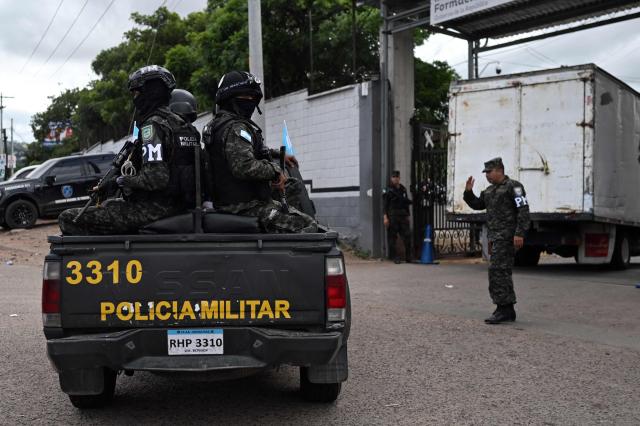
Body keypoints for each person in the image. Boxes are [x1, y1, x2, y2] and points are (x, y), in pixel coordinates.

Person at [58, 65, 195, 235]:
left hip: (153, 210)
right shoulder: (183, 126)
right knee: (110, 206)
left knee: (68, 217)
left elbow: (156, 178)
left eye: (137, 93)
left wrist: (119, 182)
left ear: (151, 92)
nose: (135, 98)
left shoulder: (152, 126)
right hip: (181, 206)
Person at [202, 70, 317, 233]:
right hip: (244, 207)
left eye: (253, 98)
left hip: (237, 203)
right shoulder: (235, 127)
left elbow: (241, 150)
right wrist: (276, 171)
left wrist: (276, 154)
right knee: (308, 226)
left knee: (293, 189)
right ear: (231, 99)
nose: (251, 102)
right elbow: (244, 165)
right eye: (246, 98)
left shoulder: (219, 125)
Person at [463, 157, 530, 324]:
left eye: (489, 172)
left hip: (507, 237)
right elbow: (478, 204)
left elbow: (523, 210)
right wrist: (468, 193)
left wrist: (519, 233)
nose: (487, 175)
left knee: (497, 270)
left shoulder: (513, 187)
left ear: (499, 170)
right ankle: (507, 309)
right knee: (501, 271)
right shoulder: (490, 191)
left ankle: (502, 308)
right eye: (485, 173)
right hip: (495, 237)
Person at [383, 170, 413, 263]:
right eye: (393, 177)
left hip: (403, 216)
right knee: (392, 237)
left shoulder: (403, 189)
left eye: (397, 177)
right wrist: (385, 217)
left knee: (407, 236)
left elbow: (406, 203)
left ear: (399, 178)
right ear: (391, 178)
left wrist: (408, 215)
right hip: (392, 216)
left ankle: (408, 257)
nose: (395, 179)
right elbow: (385, 205)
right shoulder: (387, 190)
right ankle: (395, 257)